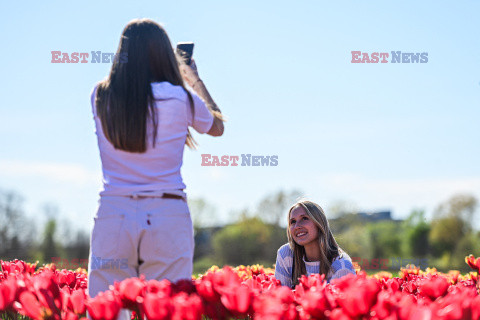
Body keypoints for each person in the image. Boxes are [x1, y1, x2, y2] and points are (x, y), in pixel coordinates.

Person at [87, 18, 224, 319]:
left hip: (114, 211)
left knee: (106, 311)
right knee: (169, 308)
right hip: (167, 213)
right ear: (164, 55)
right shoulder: (182, 97)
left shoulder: (101, 95)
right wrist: (193, 79)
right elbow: (216, 127)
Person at [275, 200, 355, 288]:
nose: (297, 226)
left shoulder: (342, 267)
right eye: (293, 221)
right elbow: (280, 297)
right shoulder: (286, 255)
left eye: (304, 218)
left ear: (319, 223)